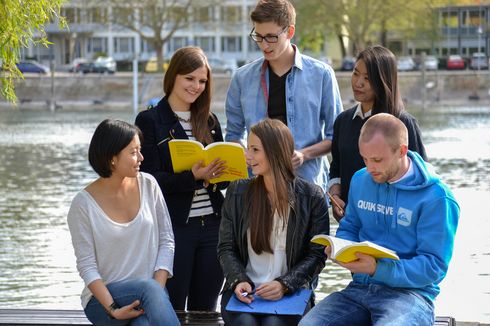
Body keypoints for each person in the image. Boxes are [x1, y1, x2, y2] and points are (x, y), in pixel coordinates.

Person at [299, 113, 460, 326]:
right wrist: (340, 249)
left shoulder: (437, 198)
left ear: (402, 151)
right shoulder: (360, 179)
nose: (369, 167)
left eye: (377, 160)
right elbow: (351, 226)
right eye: (364, 158)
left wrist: (377, 269)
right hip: (359, 290)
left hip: (411, 295)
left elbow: (434, 267)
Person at [135, 46, 228, 311]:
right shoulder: (150, 120)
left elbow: (223, 182)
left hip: (213, 226)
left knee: (206, 309)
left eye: (202, 81)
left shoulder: (209, 121)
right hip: (174, 227)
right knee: (171, 306)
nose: (196, 86)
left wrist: (222, 174)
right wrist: (194, 178)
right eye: (190, 78)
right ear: (174, 75)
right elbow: (148, 179)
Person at [218, 118, 330, 326]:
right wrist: (239, 279)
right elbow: (226, 247)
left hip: (290, 293)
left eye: (254, 149)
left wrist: (285, 284)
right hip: (246, 291)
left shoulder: (312, 197)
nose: (247, 156)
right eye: (248, 148)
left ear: (275, 151)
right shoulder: (237, 192)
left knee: (274, 324)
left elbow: (316, 255)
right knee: (245, 323)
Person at [67, 119, 179, 326]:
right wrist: (114, 310)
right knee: (148, 290)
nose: (141, 157)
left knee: (143, 324)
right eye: (133, 152)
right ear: (112, 159)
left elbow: (166, 240)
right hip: (103, 302)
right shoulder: (82, 204)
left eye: (140, 150)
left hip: (150, 294)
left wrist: (157, 290)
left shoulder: (149, 184)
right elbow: (87, 266)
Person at [225, 0, 342, 191]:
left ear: (290, 32)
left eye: (271, 37)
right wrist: (244, 151)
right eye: (258, 36)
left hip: (307, 186)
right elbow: (234, 134)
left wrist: (303, 154)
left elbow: (335, 136)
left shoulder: (322, 74)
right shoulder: (241, 78)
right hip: (257, 188)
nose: (264, 45)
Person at [328, 45, 427, 222]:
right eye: (356, 73)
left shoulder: (403, 123)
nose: (358, 82)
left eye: (367, 78)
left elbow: (422, 177)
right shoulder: (343, 121)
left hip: (394, 223)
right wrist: (335, 194)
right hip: (353, 221)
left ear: (383, 81)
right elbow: (336, 167)